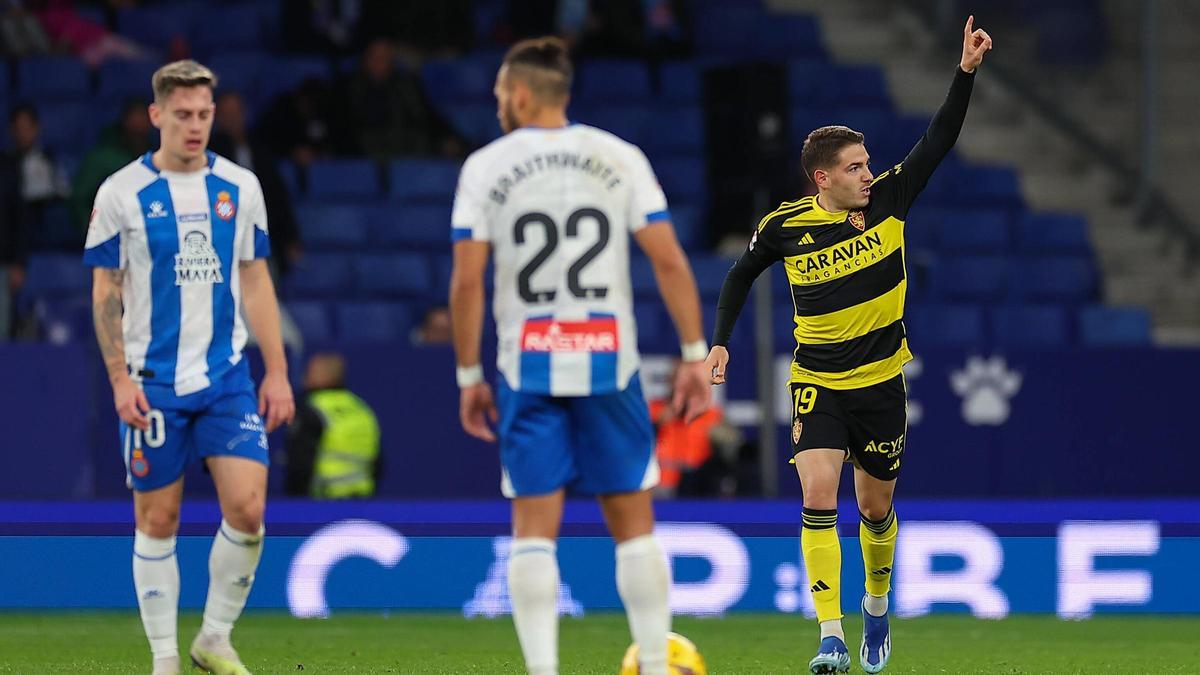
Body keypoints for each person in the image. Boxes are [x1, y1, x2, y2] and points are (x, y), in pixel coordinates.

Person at [704, 17, 992, 675]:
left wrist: (966, 72)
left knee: (873, 506)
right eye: (855, 167)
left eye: (867, 164)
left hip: (882, 382)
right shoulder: (784, 226)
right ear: (822, 179)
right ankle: (830, 634)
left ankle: (877, 600)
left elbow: (939, 138)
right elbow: (740, 272)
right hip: (818, 379)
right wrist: (720, 341)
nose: (868, 174)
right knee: (816, 495)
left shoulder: (889, 200)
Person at [449, 37, 712, 675]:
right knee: (633, 521)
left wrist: (467, 374)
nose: (496, 105)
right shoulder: (618, 157)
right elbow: (671, 260)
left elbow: (465, 282)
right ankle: (654, 664)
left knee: (533, 527)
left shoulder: (485, 166)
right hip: (607, 358)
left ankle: (543, 672)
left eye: (498, 96)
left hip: (527, 362)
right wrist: (693, 353)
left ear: (517, 94)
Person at [83, 60, 295, 675]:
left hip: (226, 378)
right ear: (156, 116)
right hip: (152, 384)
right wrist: (119, 379)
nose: (196, 126)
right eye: (183, 115)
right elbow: (106, 291)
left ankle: (215, 638)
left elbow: (255, 280)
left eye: (204, 114)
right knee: (159, 518)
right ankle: (164, 657)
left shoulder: (240, 187)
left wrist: (276, 370)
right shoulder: (121, 193)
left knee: (249, 508)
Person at [210, 90, 302, 279]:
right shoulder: (210, 153)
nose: (232, 118)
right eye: (227, 114)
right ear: (217, 118)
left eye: (236, 113)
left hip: (264, 237)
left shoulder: (260, 149)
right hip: (224, 238)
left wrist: (290, 236)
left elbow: (278, 197)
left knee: (266, 291)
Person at [344, 38, 464, 160]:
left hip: (407, 156)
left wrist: (449, 138)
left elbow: (428, 117)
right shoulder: (349, 89)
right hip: (364, 159)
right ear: (365, 59)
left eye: (384, 57)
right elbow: (346, 131)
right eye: (375, 57)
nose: (379, 62)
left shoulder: (406, 86)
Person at [285, 352, 381, 499]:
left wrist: (294, 503)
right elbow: (378, 464)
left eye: (309, 373)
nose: (304, 378)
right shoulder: (361, 408)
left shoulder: (312, 409)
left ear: (323, 377)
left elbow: (300, 465)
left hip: (321, 504)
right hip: (363, 502)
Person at [70, 97, 153, 233]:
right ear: (125, 121)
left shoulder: (157, 156)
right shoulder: (101, 159)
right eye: (135, 118)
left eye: (143, 117)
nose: (139, 124)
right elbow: (79, 201)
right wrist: (94, 233)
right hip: (109, 236)